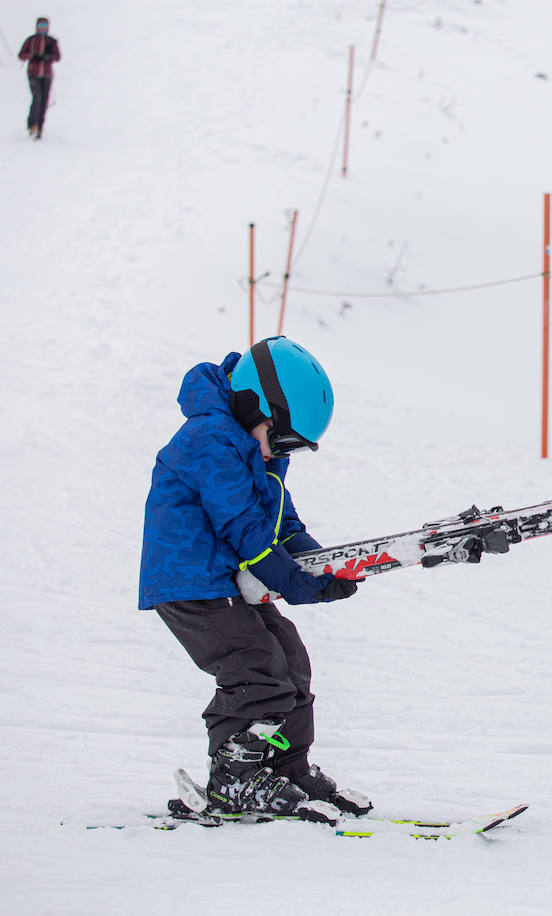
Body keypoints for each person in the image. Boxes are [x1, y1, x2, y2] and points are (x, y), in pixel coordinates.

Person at [139, 337, 369, 825]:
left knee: (291, 662)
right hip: (190, 582)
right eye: (280, 439)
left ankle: (286, 767)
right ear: (251, 404)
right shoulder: (210, 439)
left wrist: (320, 566)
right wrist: (294, 581)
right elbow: (243, 526)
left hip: (227, 579)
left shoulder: (253, 445)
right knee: (255, 669)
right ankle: (233, 779)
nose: (280, 453)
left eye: (290, 447)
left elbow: (280, 521)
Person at [17, 16, 59, 140]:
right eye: (40, 27)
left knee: (44, 100)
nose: (42, 29)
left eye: (45, 27)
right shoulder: (31, 40)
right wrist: (31, 56)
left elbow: (57, 56)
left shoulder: (51, 42)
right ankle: (31, 124)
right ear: (36, 27)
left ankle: (40, 126)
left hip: (46, 74)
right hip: (33, 73)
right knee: (37, 97)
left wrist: (48, 57)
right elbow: (21, 55)